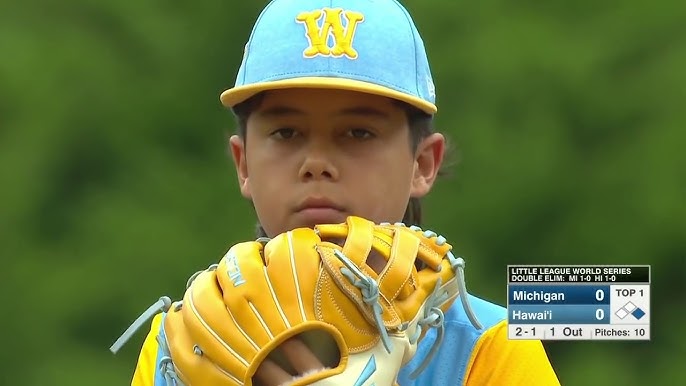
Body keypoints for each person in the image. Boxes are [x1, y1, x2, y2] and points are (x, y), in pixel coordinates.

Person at [127, 0, 561, 384]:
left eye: (358, 132)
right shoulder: (182, 345)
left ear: (422, 164)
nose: (316, 162)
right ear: (243, 164)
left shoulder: (486, 347)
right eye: (286, 132)